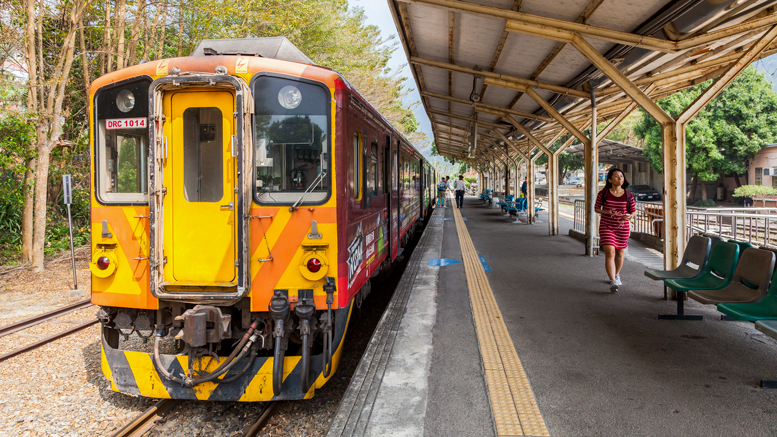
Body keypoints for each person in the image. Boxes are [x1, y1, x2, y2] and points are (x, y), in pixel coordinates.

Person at [594, 167, 636, 293]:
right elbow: (596, 209)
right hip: (607, 225)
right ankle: (612, 280)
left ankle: (617, 274)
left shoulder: (628, 194)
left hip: (622, 227)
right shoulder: (603, 193)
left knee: (620, 253)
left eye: (621, 176)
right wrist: (606, 212)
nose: (620, 178)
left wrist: (629, 216)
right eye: (617, 176)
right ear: (610, 179)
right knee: (610, 252)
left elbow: (633, 212)